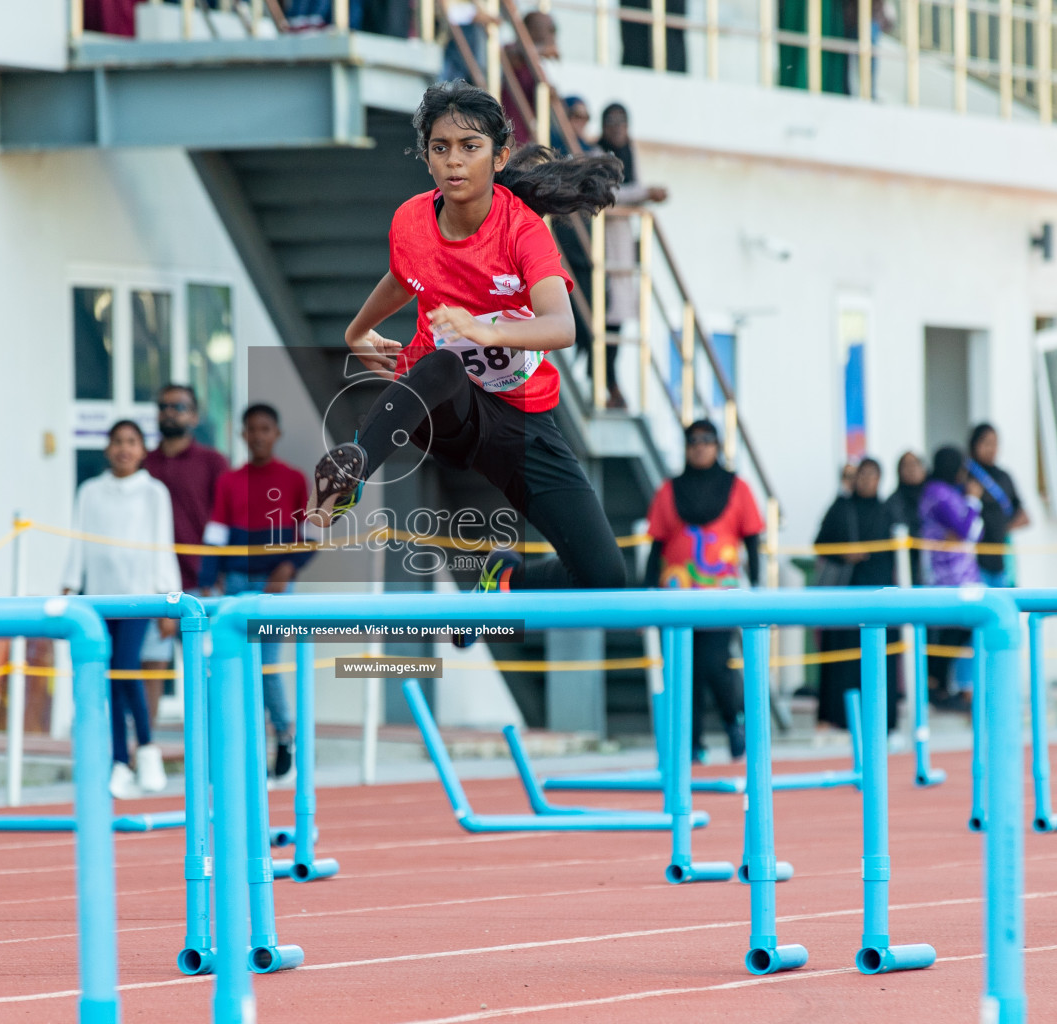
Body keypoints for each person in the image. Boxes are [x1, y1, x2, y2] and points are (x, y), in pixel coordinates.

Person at [305, 81, 628, 618]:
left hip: (522, 423)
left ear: (499, 157)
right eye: (440, 148)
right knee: (442, 365)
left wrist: (488, 331)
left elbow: (560, 325)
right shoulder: (410, 220)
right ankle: (353, 468)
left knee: (606, 578)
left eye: (470, 147)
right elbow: (401, 276)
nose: (454, 162)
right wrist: (357, 331)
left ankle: (503, 587)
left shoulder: (522, 232)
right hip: (444, 410)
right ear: (427, 158)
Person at [62, 419, 179, 798]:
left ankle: (143, 749)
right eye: (117, 442)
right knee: (111, 675)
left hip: (139, 596)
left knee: (124, 668)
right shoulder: (90, 491)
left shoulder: (154, 491)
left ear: (143, 450)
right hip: (99, 598)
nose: (123, 449)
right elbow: (78, 539)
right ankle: (120, 760)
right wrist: (70, 584)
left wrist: (168, 597)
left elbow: (164, 542)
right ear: (107, 448)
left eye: (131, 442)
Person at [201, 404, 314, 780]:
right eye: (252, 429)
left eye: (266, 428)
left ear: (276, 433)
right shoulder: (230, 481)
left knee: (267, 666)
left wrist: (288, 569)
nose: (259, 435)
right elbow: (216, 532)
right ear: (242, 435)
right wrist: (208, 575)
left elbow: (311, 537)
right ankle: (243, 745)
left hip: (275, 585)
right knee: (233, 665)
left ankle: (284, 734)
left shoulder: (296, 479)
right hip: (234, 584)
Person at [643, 419, 763, 761]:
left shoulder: (737, 488)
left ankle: (732, 724)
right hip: (675, 595)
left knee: (715, 664)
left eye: (707, 440)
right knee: (683, 670)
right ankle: (691, 744)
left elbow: (752, 540)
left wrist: (756, 588)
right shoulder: (669, 490)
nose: (700, 446)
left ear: (717, 446)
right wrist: (645, 592)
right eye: (693, 440)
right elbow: (656, 544)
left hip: (720, 594)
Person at [142, 384, 229, 719]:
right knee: (149, 668)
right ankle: (141, 751)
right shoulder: (144, 462)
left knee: (206, 670)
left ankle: (214, 752)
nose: (169, 412)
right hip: (154, 588)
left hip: (200, 584)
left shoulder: (212, 462)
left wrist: (216, 573)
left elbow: (225, 521)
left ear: (194, 415)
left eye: (178, 406)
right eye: (163, 406)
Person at [811, 457, 901, 733]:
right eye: (862, 475)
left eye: (873, 475)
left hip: (881, 596)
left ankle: (882, 721)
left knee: (880, 657)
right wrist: (844, 554)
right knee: (842, 659)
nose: (866, 480)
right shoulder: (841, 508)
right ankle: (836, 719)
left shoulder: (889, 511)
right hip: (846, 595)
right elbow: (820, 544)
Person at [595, 102, 668, 410]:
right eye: (610, 122)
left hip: (621, 248)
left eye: (622, 122)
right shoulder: (598, 155)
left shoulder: (627, 153)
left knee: (617, 323)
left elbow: (628, 188)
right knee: (605, 320)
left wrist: (643, 194)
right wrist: (645, 193)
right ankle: (608, 385)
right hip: (603, 246)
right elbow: (608, 194)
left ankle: (611, 385)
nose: (617, 128)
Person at [918, 445, 983, 709]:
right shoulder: (939, 494)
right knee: (953, 628)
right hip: (947, 573)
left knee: (955, 630)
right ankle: (937, 685)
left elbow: (971, 531)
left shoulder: (944, 492)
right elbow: (966, 528)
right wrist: (973, 501)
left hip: (956, 571)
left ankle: (941, 684)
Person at [967, 423, 1028, 588]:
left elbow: (1024, 515)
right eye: (986, 443)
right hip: (974, 560)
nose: (991, 448)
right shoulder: (965, 475)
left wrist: (1002, 528)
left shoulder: (1003, 477)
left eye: (995, 443)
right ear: (974, 444)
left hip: (1002, 558)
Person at [502, 11, 559, 146]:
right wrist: (540, 50)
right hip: (507, 137)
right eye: (550, 29)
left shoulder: (537, 64)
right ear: (531, 30)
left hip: (525, 139)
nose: (553, 34)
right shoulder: (510, 51)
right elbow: (513, 56)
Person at [886, 450, 927, 585]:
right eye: (906, 465)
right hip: (904, 566)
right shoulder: (894, 501)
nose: (911, 469)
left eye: (915, 464)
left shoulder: (933, 497)